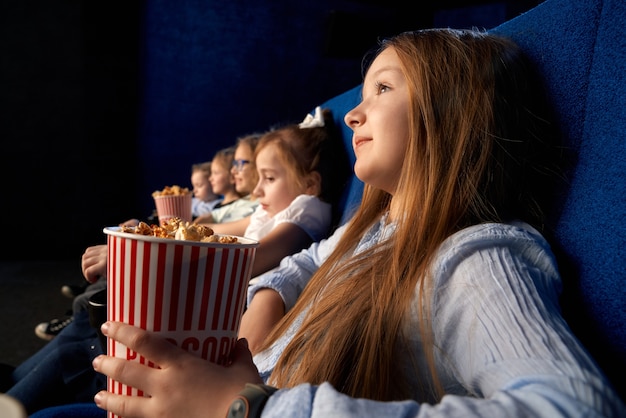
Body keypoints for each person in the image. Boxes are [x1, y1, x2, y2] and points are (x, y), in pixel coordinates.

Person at [83, 29, 626, 418]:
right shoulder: (368, 232)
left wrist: (249, 406)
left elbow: (575, 405)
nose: (351, 115)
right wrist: (268, 298)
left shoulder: (473, 257)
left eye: (383, 90)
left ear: (456, 114)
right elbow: (304, 261)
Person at [35, 160, 224, 342]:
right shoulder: (195, 203)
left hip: (178, 269)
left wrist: (130, 251)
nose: (194, 190)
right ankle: (78, 306)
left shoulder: (217, 210)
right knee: (98, 281)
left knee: (91, 298)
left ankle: (73, 328)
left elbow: (193, 233)